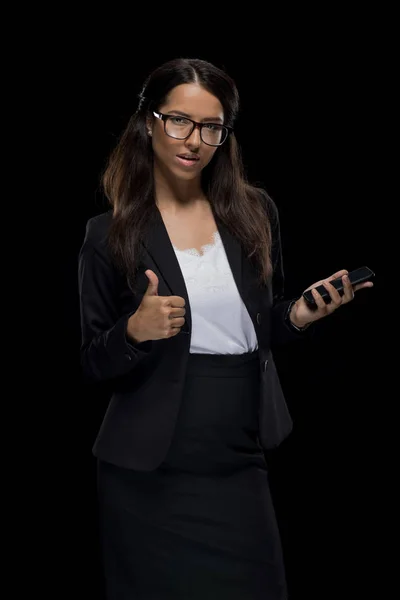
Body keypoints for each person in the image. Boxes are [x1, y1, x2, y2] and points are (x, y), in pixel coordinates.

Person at [78, 57, 373, 599]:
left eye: (212, 126)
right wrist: (134, 331)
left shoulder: (254, 213)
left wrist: (298, 316)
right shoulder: (108, 234)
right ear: (149, 122)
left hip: (236, 455)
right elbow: (93, 362)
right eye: (179, 121)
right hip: (146, 469)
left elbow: (259, 327)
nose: (194, 140)